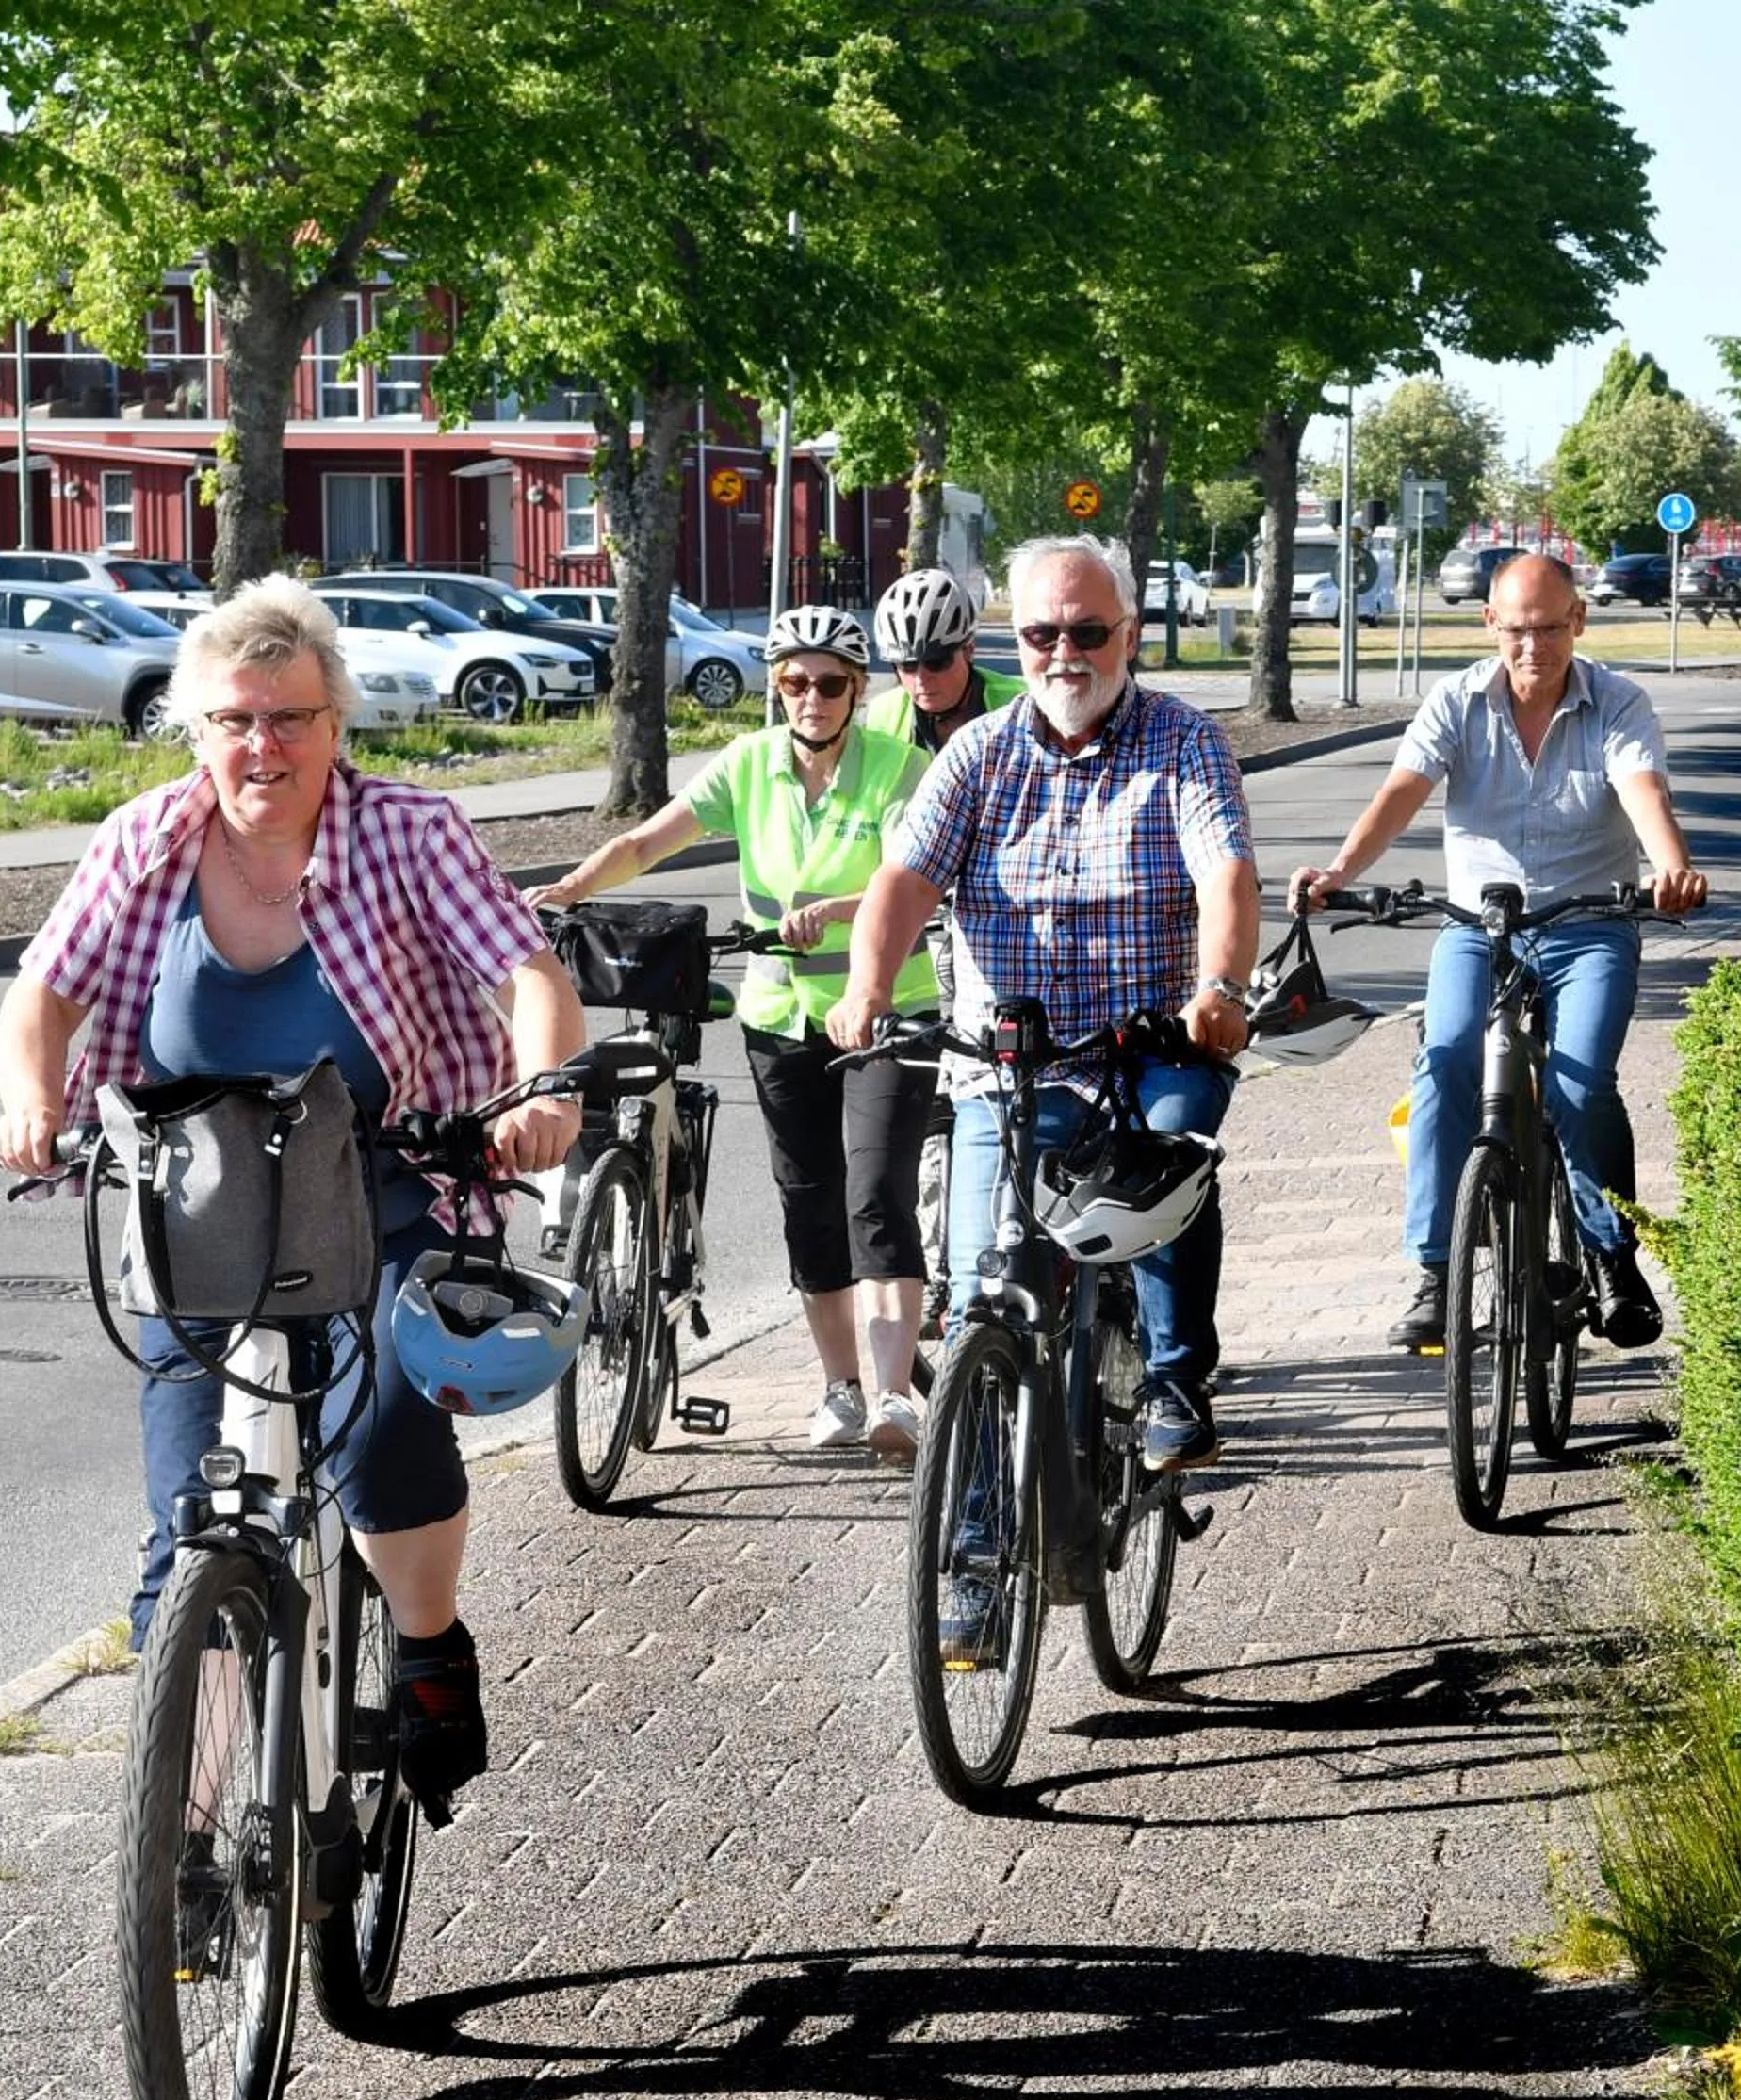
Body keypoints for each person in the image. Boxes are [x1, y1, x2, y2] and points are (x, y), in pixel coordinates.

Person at [0, 574, 587, 1815]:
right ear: (197, 729)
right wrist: (32, 1103)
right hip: (196, 1208)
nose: (261, 746)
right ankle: (192, 1837)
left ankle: (426, 1647)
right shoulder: (144, 841)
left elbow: (526, 975)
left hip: (386, 1185)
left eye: (289, 718)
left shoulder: (408, 832)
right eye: (233, 720)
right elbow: (40, 997)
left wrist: (541, 1093)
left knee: (382, 1434)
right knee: (184, 1525)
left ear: (335, 722)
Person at [829, 534, 1259, 1478]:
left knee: (1171, 1154)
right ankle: (978, 1538)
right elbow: (903, 883)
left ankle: (1176, 1383)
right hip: (1011, 1067)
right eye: (1041, 634)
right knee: (986, 1297)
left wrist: (1220, 989)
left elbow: (1225, 874)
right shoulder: (977, 754)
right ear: (1014, 642)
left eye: (1088, 631)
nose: (1065, 653)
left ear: (1129, 635)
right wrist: (867, 987)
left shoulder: (1185, 741)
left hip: (1147, 1049)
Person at [528, 605, 937, 1457]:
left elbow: (912, 878)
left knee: (874, 1196)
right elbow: (646, 842)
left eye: (830, 683)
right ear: (777, 688)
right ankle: (840, 1390)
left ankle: (895, 1396)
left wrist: (839, 910)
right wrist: (567, 889)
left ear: (858, 691)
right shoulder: (749, 763)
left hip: (886, 1011)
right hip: (780, 1018)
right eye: (794, 681)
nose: (811, 697)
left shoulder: (900, 767)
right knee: (809, 1204)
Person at [1287, 550, 1707, 1353]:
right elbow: (1402, 791)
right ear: (1489, 623)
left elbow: (1643, 789)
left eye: (1549, 628)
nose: (1532, 646)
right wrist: (1339, 873)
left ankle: (1612, 1255)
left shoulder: (1619, 703)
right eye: (1516, 629)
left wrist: (1670, 869)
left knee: (1581, 1087)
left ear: (1578, 621)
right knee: (1445, 1060)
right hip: (1479, 929)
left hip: (1589, 927)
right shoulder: (1456, 700)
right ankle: (1436, 1272)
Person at [864, 567, 1022, 755]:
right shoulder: (882, 715)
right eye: (908, 666)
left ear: (969, 650)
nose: (921, 679)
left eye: (936, 663)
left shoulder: (1022, 703)